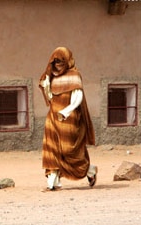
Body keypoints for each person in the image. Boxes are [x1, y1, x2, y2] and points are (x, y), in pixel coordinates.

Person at [39, 47, 97, 191]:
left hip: (69, 119)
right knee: (51, 149)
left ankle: (89, 170)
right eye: (54, 61)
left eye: (60, 61)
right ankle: (53, 182)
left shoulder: (74, 75)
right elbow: (50, 95)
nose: (57, 64)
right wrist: (46, 81)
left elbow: (78, 97)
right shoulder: (52, 75)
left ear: (67, 60)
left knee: (68, 150)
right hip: (52, 117)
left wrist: (67, 111)